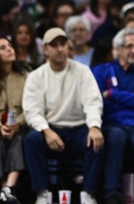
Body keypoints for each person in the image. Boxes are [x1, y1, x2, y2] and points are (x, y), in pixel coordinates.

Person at [22, 28, 104, 204]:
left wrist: (95, 126)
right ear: (45, 49)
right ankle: (42, 193)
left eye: (63, 44)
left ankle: (88, 193)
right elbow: (32, 110)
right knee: (31, 140)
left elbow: (93, 101)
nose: (59, 49)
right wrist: (45, 131)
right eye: (54, 45)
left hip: (78, 129)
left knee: (97, 140)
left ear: (68, 47)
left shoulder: (83, 71)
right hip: (51, 129)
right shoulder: (36, 76)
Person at [92, 27, 134, 204]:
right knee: (116, 135)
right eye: (129, 46)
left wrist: (113, 94)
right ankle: (111, 194)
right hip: (112, 122)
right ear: (117, 49)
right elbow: (98, 102)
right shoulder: (101, 71)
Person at [0, 36, 29, 201]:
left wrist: (18, 123)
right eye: (3, 48)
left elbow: (33, 107)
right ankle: (4, 191)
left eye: (10, 46)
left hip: (21, 126)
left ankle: (8, 188)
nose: (10, 49)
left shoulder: (25, 76)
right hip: (1, 127)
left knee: (19, 139)